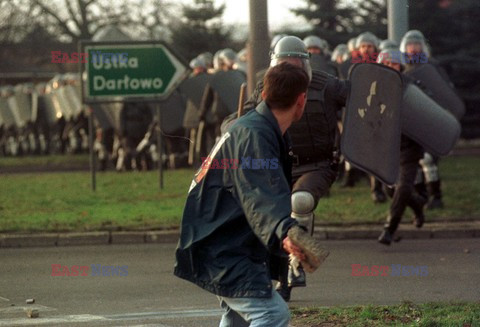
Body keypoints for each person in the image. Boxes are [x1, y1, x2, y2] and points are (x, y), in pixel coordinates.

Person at [174, 62, 310, 327]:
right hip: (224, 248)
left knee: (236, 318)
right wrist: (284, 230)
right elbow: (259, 192)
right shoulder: (254, 136)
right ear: (301, 100)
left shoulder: (257, 129)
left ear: (263, 94)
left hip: (220, 242)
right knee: (272, 314)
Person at [237, 36, 349, 301]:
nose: (290, 67)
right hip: (280, 165)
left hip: (318, 165)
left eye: (295, 62)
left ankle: (295, 266)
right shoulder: (269, 86)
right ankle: (271, 271)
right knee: (270, 213)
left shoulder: (327, 85)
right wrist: (232, 127)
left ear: (305, 62)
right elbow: (245, 116)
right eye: (285, 62)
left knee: (300, 201)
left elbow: (365, 104)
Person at [376, 49, 426, 245]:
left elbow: (426, 113)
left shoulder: (413, 87)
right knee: (391, 189)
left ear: (401, 66)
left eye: (394, 63)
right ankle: (418, 205)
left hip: (410, 146)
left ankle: (389, 228)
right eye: (386, 64)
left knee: (403, 186)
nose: (390, 67)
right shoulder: (375, 88)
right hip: (388, 147)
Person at [400, 30, 445, 209]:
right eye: (410, 44)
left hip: (429, 118)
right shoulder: (403, 68)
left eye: (417, 44)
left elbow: (442, 93)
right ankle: (420, 196)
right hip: (411, 121)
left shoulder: (432, 67)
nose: (413, 48)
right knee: (414, 162)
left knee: (427, 159)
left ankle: (436, 196)